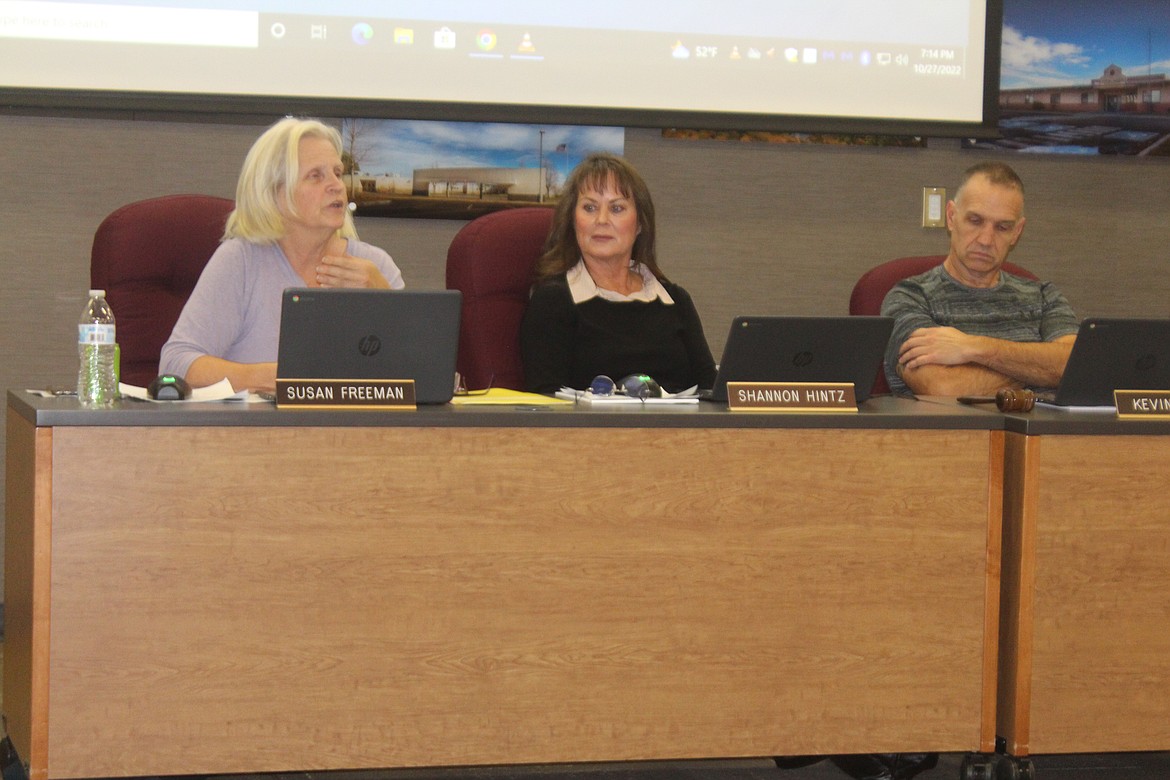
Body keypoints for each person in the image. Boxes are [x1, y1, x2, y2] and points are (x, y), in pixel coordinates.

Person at [160, 117, 404, 392]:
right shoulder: (241, 261)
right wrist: (271, 378)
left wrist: (384, 301)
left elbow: (424, 373)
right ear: (274, 193)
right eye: (316, 176)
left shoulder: (375, 265)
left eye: (337, 172)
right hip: (261, 433)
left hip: (359, 433)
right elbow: (176, 364)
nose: (337, 185)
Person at [520, 152, 716, 395]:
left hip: (684, 432)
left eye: (617, 208)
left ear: (640, 223)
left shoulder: (675, 300)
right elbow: (545, 401)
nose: (601, 220)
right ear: (572, 220)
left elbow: (712, 392)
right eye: (590, 207)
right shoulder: (554, 301)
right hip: (591, 432)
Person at [881, 161, 1078, 398]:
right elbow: (944, 387)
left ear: (1017, 232)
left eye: (1002, 227)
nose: (986, 239)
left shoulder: (1044, 296)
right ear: (952, 217)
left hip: (1045, 434)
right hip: (957, 435)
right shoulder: (910, 297)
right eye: (975, 221)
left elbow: (1076, 367)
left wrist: (974, 348)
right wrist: (1038, 369)